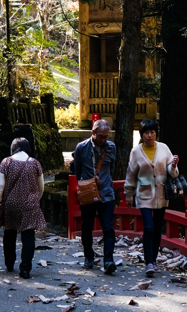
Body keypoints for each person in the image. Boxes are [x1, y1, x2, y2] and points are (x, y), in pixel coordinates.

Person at [124, 118, 179, 277]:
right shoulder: (136, 152)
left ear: (156, 133)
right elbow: (131, 175)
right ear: (141, 135)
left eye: (152, 132)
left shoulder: (164, 148)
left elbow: (173, 172)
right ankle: (148, 261)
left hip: (162, 195)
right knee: (148, 227)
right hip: (144, 195)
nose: (150, 135)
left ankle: (153, 260)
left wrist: (174, 165)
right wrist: (129, 194)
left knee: (156, 229)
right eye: (146, 132)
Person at [0, 137, 46, 279]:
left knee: (9, 234)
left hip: (11, 205)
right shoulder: (35, 163)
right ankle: (25, 269)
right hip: (29, 205)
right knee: (28, 237)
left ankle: (9, 264)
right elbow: (41, 187)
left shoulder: (6, 162)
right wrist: (35, 199)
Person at [71, 119, 117, 274]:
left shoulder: (111, 148)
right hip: (88, 194)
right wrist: (85, 186)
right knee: (87, 227)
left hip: (106, 193)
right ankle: (88, 257)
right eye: (101, 136)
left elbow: (113, 168)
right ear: (93, 133)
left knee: (108, 228)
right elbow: (77, 170)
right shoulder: (81, 148)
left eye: (106, 136)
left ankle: (109, 260)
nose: (104, 140)